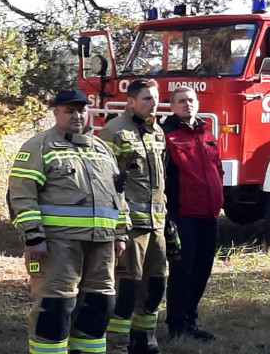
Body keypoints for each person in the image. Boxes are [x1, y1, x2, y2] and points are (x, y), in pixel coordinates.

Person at [7, 89, 129, 354]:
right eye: (70, 111)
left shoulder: (101, 147)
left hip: (102, 244)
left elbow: (117, 193)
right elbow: (22, 194)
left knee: (99, 306)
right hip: (58, 243)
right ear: (56, 113)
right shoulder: (39, 145)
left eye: (82, 110)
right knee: (55, 309)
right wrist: (34, 237)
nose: (78, 115)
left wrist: (120, 233)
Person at [100, 79, 167, 354]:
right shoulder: (114, 131)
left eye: (155, 98)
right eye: (146, 99)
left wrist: (167, 219)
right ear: (131, 101)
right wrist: (117, 226)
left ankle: (145, 340)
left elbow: (161, 179)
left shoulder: (157, 131)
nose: (152, 103)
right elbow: (106, 182)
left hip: (157, 225)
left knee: (156, 285)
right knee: (128, 287)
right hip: (131, 227)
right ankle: (117, 345)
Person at [160, 86, 223, 343]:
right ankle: (177, 325)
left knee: (202, 270)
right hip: (182, 214)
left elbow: (217, 170)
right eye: (182, 101)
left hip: (209, 215)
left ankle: (191, 320)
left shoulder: (206, 133)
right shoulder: (167, 134)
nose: (188, 105)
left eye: (191, 100)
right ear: (172, 106)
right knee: (182, 272)